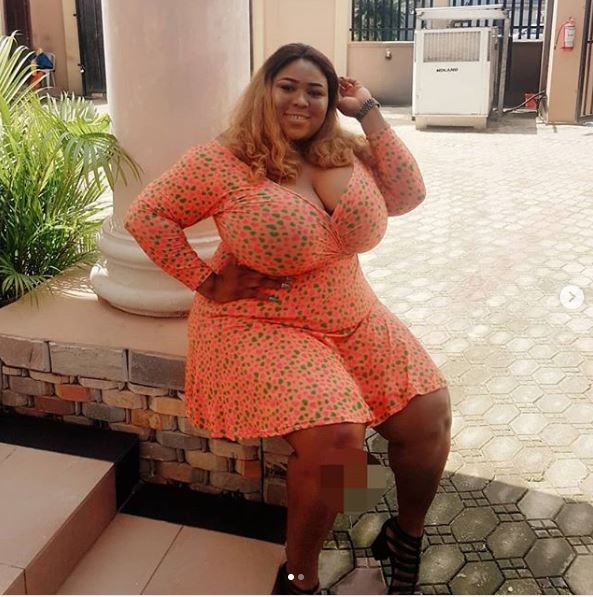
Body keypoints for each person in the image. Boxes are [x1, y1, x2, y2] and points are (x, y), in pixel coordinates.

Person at [124, 42, 452, 596]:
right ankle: (300, 575)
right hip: (263, 321)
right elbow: (147, 215)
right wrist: (206, 281)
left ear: (330, 101)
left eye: (316, 91)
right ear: (265, 90)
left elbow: (408, 194)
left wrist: (369, 112)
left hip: (351, 312)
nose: (301, 100)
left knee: (429, 415)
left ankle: (403, 536)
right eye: (288, 87)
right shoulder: (222, 161)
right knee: (339, 440)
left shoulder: (344, 149)